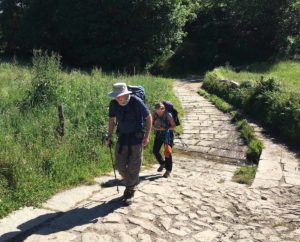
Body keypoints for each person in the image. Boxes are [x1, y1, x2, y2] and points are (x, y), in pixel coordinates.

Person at [105, 82, 152, 204]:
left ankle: (130, 191)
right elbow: (111, 120)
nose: (117, 98)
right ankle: (131, 182)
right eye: (116, 96)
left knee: (134, 166)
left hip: (136, 138)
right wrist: (109, 135)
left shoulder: (136, 101)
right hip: (122, 137)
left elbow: (149, 117)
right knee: (120, 166)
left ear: (126, 94)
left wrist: (147, 136)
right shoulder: (114, 104)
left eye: (119, 95)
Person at [152, 102, 176, 178]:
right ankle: (162, 163)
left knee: (167, 152)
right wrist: (155, 128)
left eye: (159, 111)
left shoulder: (168, 115)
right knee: (155, 150)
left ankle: (168, 170)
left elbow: (174, 126)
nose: (158, 112)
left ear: (163, 109)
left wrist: (165, 129)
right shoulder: (155, 114)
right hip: (158, 134)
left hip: (168, 135)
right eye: (157, 110)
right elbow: (152, 124)